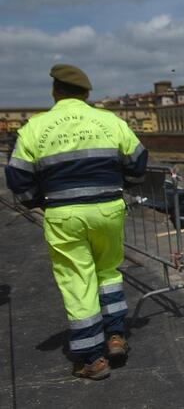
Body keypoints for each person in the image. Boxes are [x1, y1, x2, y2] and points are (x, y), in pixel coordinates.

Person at [5, 64, 148, 380]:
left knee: (77, 280)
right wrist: (124, 184)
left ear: (56, 91)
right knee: (108, 272)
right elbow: (138, 161)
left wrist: (35, 201)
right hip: (109, 209)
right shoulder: (109, 121)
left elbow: (17, 176)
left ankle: (92, 358)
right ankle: (116, 335)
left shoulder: (35, 127)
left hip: (64, 214)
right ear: (86, 94)